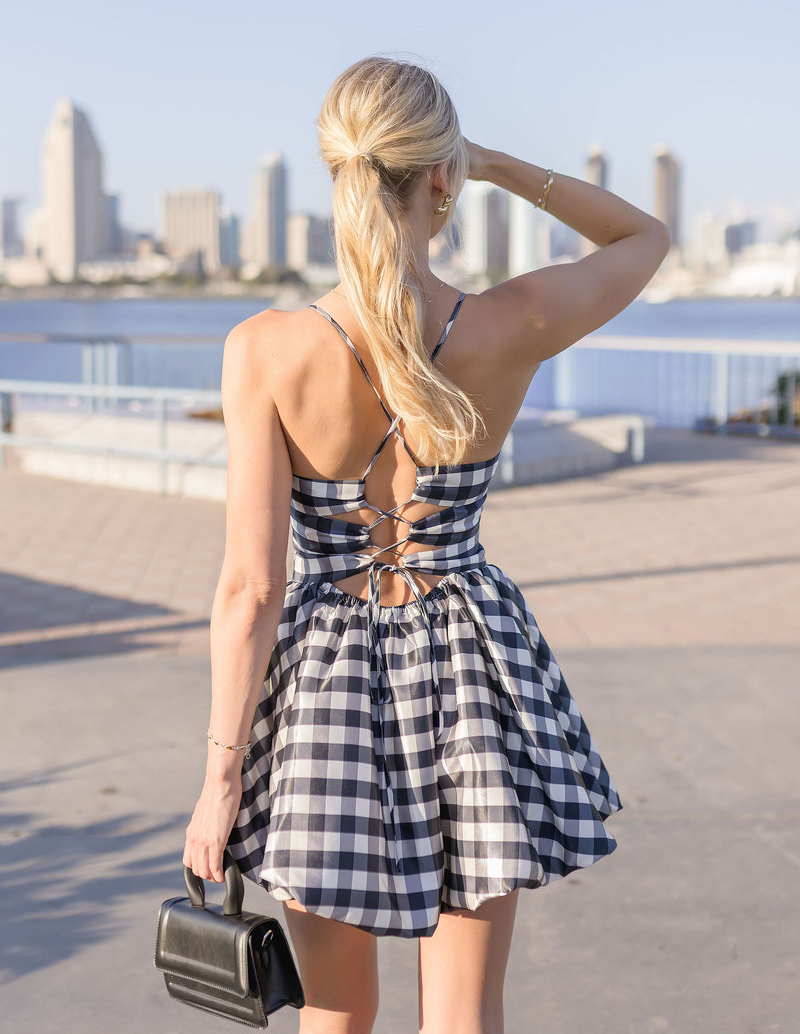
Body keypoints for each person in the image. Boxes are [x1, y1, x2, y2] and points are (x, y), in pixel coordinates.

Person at [183, 55, 670, 1034]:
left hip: (319, 690)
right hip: (472, 671)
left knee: (332, 1013)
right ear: (437, 178)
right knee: (461, 1016)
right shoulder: (511, 322)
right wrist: (491, 163)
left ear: (336, 172)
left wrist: (220, 778)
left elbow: (248, 589)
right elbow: (642, 234)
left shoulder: (264, 349)